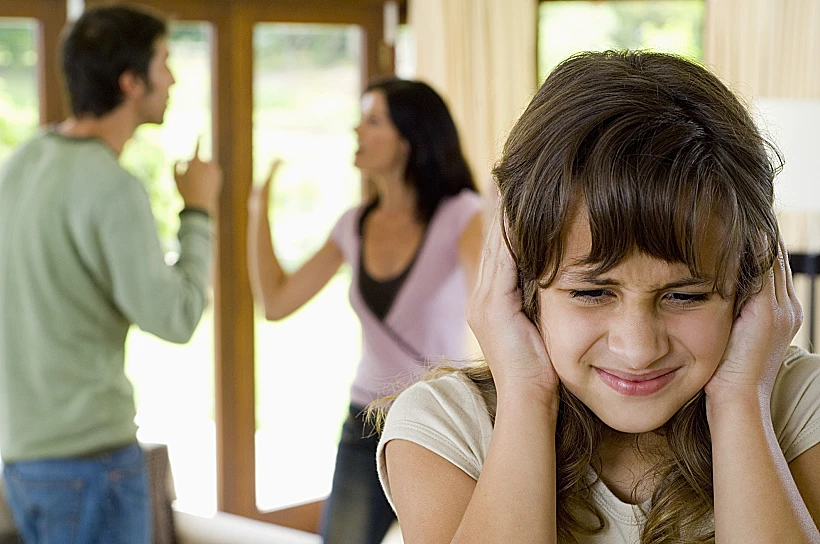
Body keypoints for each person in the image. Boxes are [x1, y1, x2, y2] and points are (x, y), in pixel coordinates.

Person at [375, 51, 820, 544]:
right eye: (591, 292)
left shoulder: (801, 407)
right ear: (520, 281)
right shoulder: (446, 427)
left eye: (685, 295)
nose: (638, 349)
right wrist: (526, 395)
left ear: (749, 285)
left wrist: (741, 399)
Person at [0, 5, 221, 543]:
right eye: (164, 62)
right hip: (90, 467)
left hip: (22, 463)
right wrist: (198, 210)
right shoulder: (112, 187)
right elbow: (176, 317)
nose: (173, 78)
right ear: (130, 81)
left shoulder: (20, 164)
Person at [247, 78, 484, 543]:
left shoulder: (464, 216)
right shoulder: (352, 225)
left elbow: (495, 307)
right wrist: (258, 211)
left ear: (410, 139)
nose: (356, 130)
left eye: (373, 120)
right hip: (363, 422)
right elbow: (275, 302)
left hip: (437, 420)